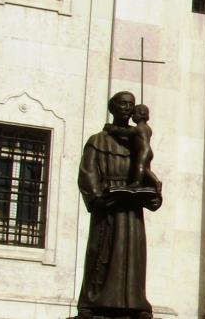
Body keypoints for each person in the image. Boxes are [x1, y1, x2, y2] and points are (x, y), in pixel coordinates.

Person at [76, 91, 161, 319]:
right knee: (102, 253)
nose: (126, 108)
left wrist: (152, 195)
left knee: (133, 257)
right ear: (112, 107)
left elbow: (145, 171)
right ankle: (92, 302)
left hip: (132, 210)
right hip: (108, 206)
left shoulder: (136, 142)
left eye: (130, 104)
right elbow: (87, 173)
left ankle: (135, 303)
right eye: (122, 104)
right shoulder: (97, 141)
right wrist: (97, 197)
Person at [104, 103, 162, 193]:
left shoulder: (139, 128)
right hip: (148, 151)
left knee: (139, 166)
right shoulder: (148, 128)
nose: (131, 116)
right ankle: (156, 182)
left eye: (133, 114)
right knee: (146, 169)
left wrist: (112, 129)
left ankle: (137, 182)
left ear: (139, 115)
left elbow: (124, 132)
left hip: (143, 151)